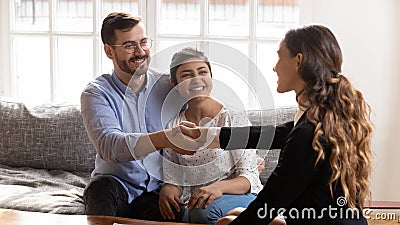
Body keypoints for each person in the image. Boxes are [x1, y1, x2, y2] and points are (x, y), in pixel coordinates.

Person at [180, 25, 373, 225]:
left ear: (298, 61)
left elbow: (270, 203)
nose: (275, 67)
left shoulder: (307, 134)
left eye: (280, 56)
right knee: (233, 215)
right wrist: (205, 136)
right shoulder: (324, 119)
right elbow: (273, 133)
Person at [80, 12, 195, 221]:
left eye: (143, 42)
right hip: (115, 185)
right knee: (100, 188)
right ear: (108, 51)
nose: (140, 52)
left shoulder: (167, 85)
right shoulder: (96, 93)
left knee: (179, 214)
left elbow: (203, 114)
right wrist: (166, 137)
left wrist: (172, 184)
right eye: (129, 46)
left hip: (157, 192)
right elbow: (109, 146)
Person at [158, 47, 263, 224]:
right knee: (174, 214)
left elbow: (249, 177)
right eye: (186, 75)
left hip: (240, 196)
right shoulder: (174, 127)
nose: (196, 79)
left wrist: (217, 188)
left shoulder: (232, 118)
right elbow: (173, 179)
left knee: (201, 213)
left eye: (202, 72)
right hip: (201, 202)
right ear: (174, 83)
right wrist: (168, 190)